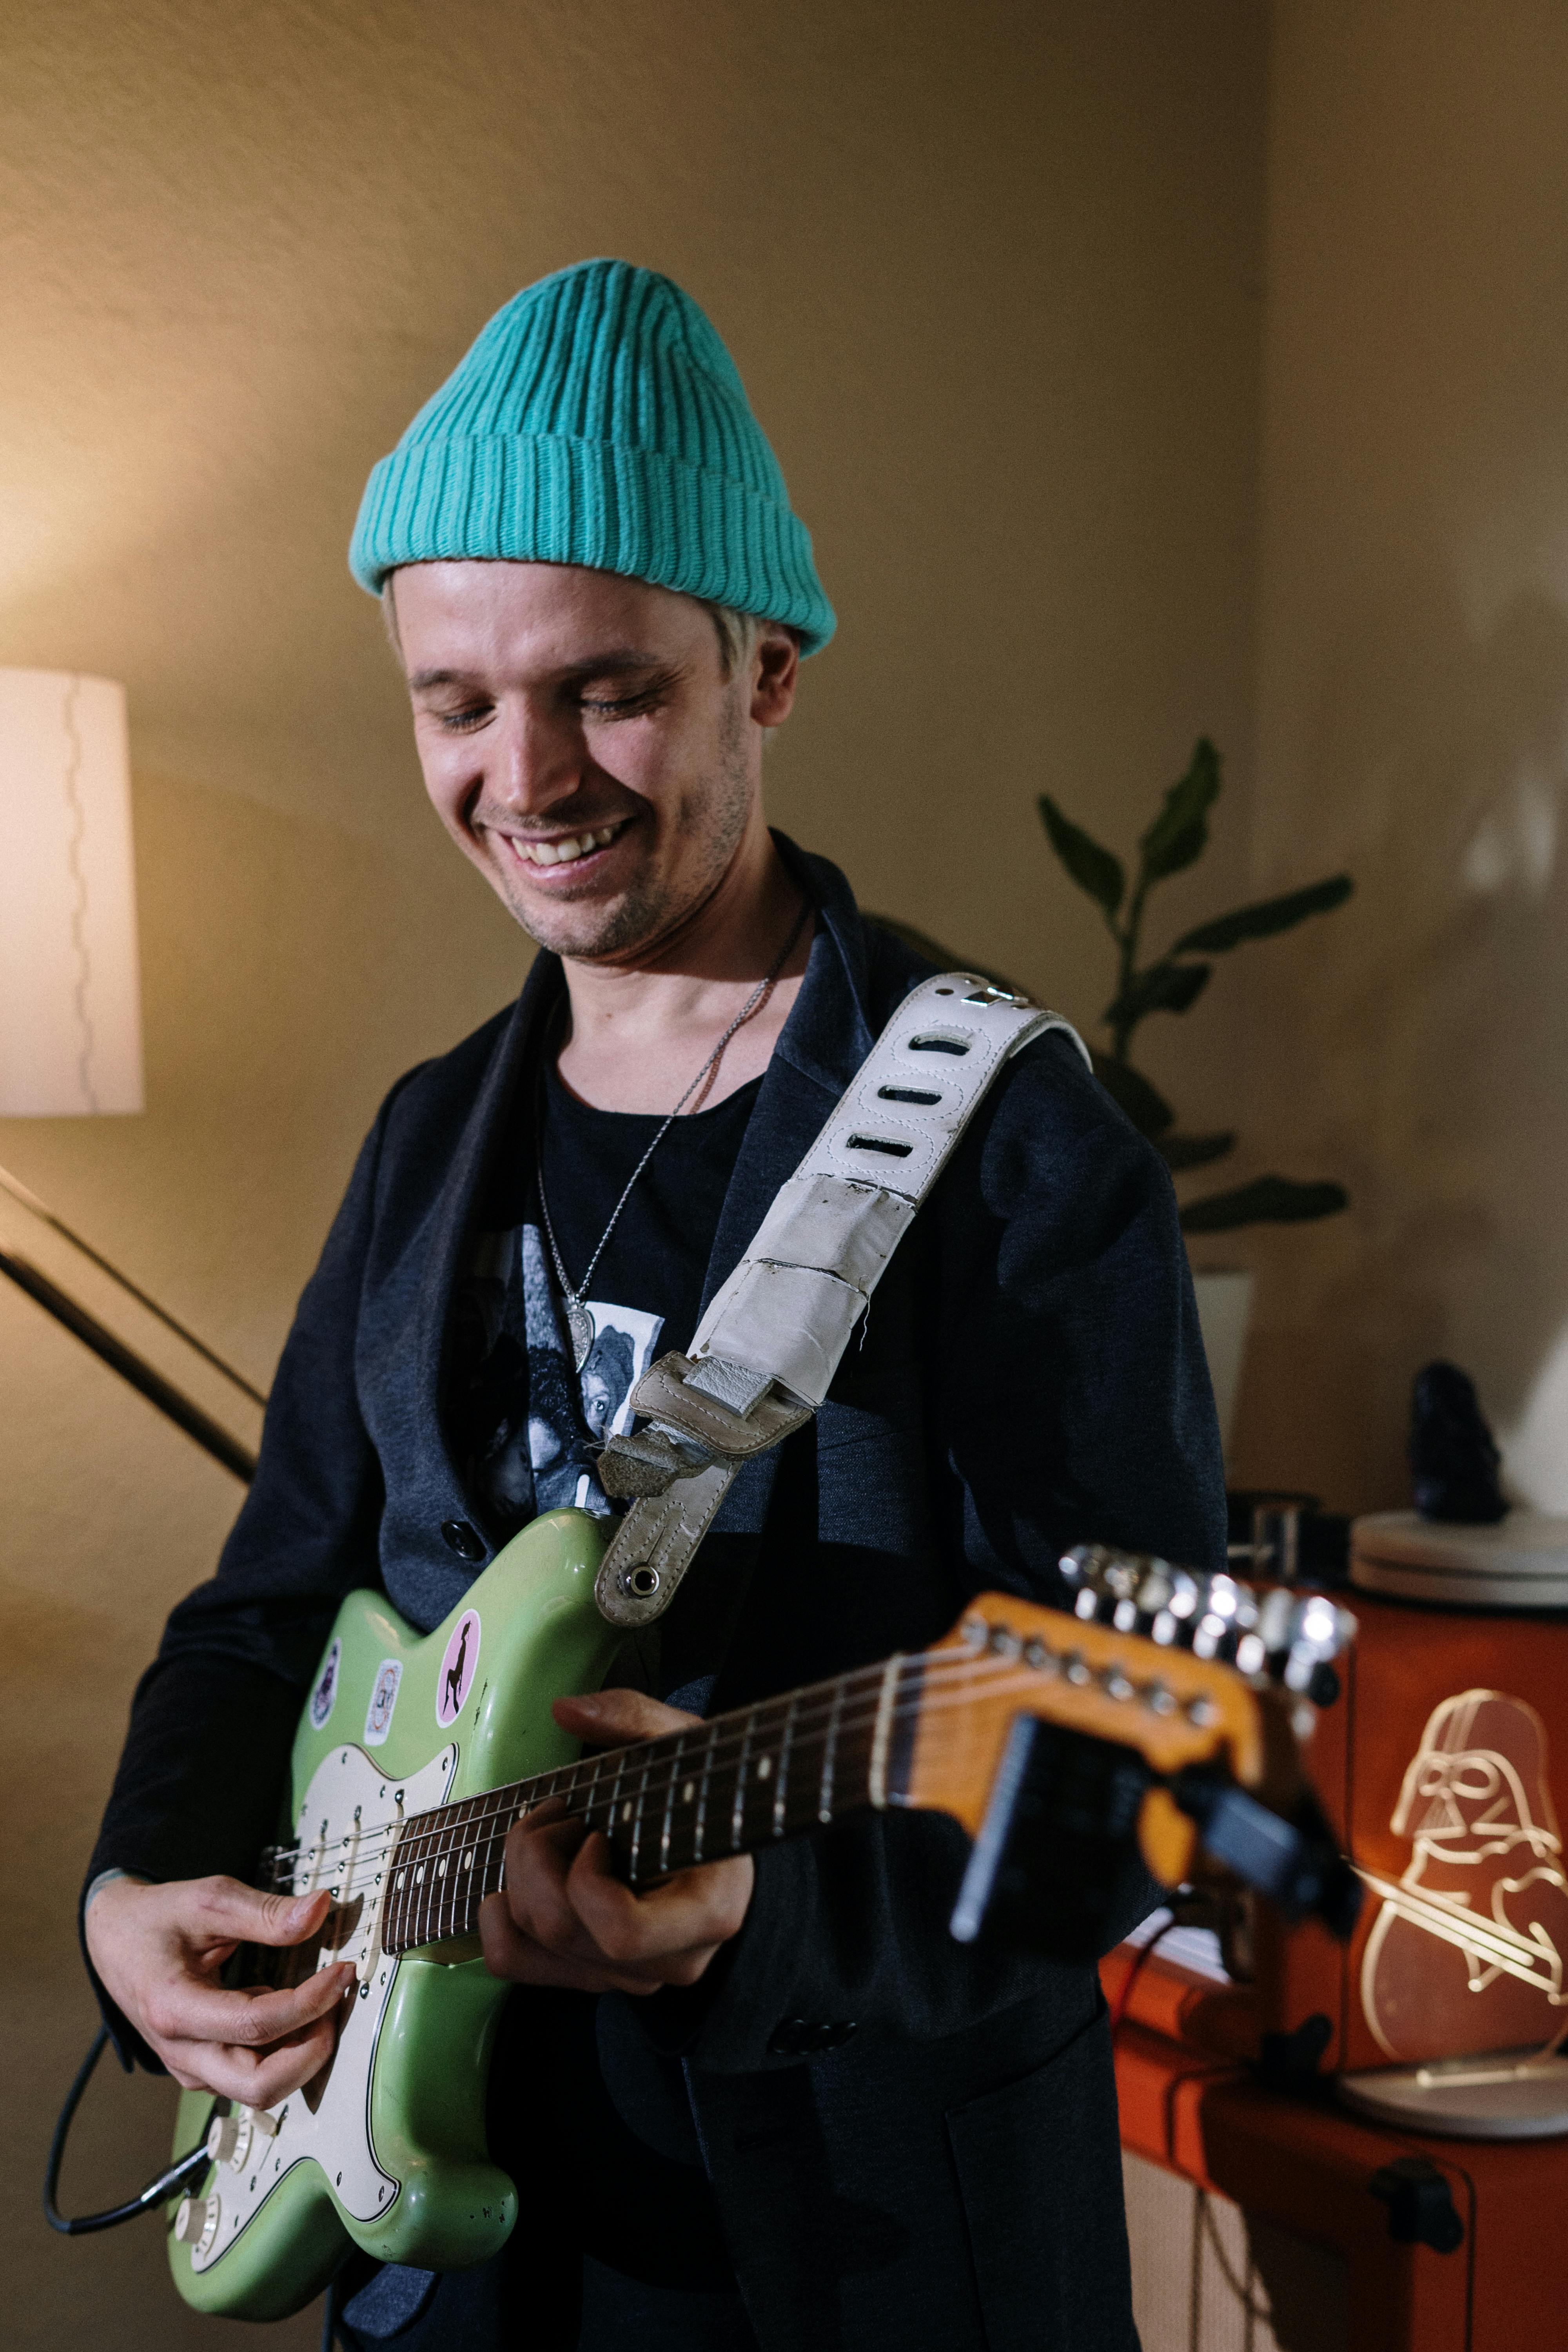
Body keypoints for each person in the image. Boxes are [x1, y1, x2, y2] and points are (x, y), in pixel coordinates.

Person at [82, 259, 1225, 2352]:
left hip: (864, 2244)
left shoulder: (1014, 1145)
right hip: (441, 2248)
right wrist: (132, 1899)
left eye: (606, 688)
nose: (527, 774)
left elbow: (1136, 1758)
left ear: (764, 673)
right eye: (456, 702)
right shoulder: (436, 1135)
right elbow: (267, 1612)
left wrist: (765, 1915)